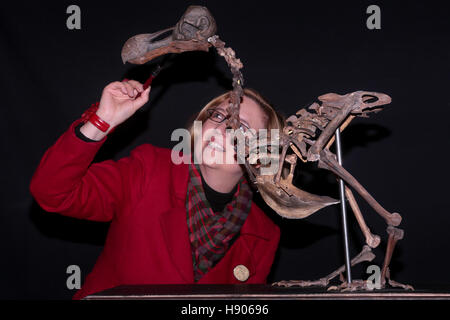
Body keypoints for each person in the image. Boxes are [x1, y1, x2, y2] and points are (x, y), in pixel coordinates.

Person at [30, 79, 283, 300]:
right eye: (218, 116)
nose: (221, 128)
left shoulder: (264, 235)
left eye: (242, 127)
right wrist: (102, 120)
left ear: (263, 155)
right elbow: (52, 192)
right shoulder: (148, 170)